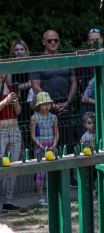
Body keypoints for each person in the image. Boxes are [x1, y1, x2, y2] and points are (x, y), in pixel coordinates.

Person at [30, 30, 77, 187]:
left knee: (67, 140)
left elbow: (74, 82)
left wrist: (68, 102)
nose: (52, 43)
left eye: (55, 40)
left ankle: (69, 176)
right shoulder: (38, 61)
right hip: (45, 109)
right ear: (43, 42)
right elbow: (36, 87)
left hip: (66, 105)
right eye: (49, 40)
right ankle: (42, 178)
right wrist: (52, 105)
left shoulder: (66, 58)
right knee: (44, 142)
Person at [31, 92, 58, 207]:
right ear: (38, 105)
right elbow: (32, 135)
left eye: (49, 104)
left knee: (54, 172)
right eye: (44, 104)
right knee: (40, 173)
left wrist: (54, 145)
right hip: (40, 148)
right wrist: (40, 146)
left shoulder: (54, 117)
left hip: (52, 147)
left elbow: (57, 134)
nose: (47, 106)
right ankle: (41, 197)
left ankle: (54, 195)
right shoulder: (34, 118)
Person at [0, 71, 22, 212]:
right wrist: (5, 101)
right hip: (1, 130)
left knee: (13, 166)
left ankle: (8, 200)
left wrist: (15, 102)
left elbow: (18, 112)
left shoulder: (9, 87)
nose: (1, 74)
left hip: (14, 129)